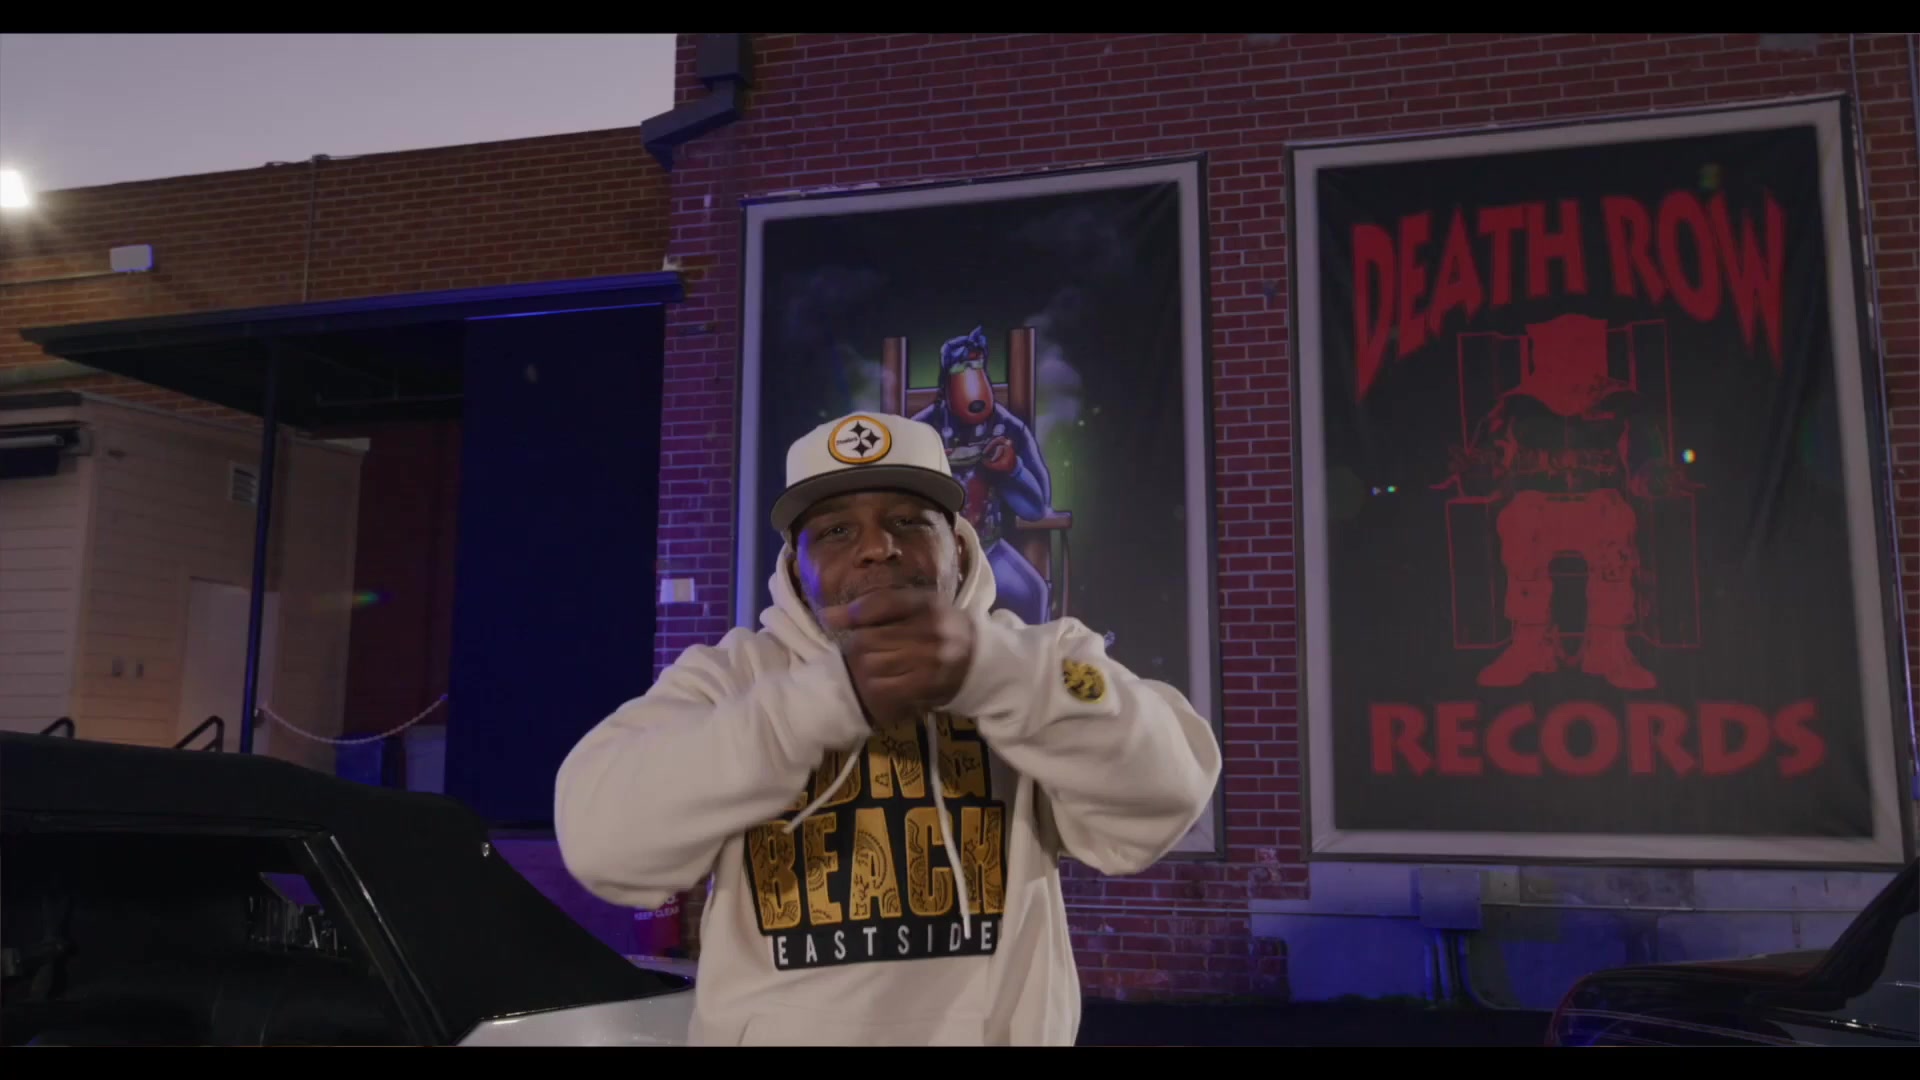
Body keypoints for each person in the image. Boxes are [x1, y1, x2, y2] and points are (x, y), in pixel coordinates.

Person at [554, 410, 1221, 1046]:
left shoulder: (1040, 660)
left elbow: (1168, 793)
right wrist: (819, 702)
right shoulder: (732, 679)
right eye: (836, 532)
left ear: (958, 542)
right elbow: (600, 840)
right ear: (795, 566)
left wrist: (994, 673)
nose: (877, 547)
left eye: (908, 520)